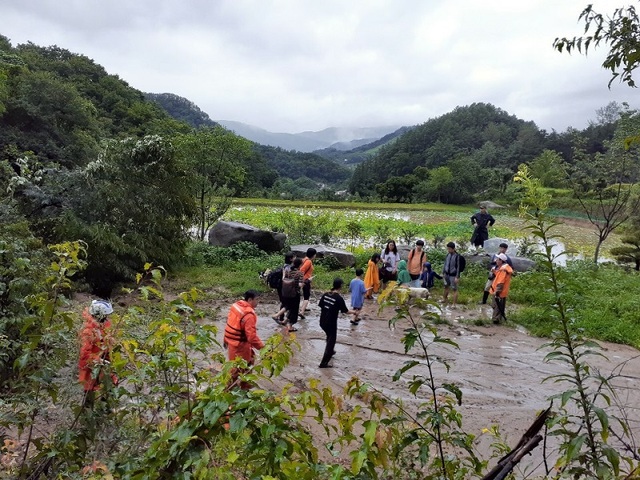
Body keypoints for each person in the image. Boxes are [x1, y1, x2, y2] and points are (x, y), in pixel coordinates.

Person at [78, 300, 118, 404]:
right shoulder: (88, 332)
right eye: (105, 316)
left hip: (104, 362)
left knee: (110, 385)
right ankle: (87, 413)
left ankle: (107, 408)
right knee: (90, 391)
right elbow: (84, 354)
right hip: (91, 367)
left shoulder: (104, 326)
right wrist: (98, 360)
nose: (107, 318)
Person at [223, 290, 265, 389]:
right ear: (250, 300)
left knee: (248, 362)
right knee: (238, 369)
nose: (258, 302)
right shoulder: (249, 315)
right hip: (240, 346)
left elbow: (230, 323)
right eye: (257, 299)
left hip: (231, 342)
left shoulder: (236, 306)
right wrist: (264, 348)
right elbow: (251, 337)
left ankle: (244, 386)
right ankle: (228, 391)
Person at [318, 278, 356, 368]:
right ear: (340, 286)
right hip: (331, 322)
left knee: (329, 336)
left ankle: (331, 351)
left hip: (322, 321)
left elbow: (321, 306)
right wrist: (354, 312)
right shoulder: (338, 298)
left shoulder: (325, 294)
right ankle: (323, 363)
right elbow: (345, 311)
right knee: (331, 340)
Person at [281, 258, 304, 332]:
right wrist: (305, 282)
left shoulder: (287, 271)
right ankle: (290, 326)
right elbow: (300, 285)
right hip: (294, 294)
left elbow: (283, 279)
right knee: (294, 310)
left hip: (286, 292)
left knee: (289, 307)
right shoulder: (300, 273)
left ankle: (285, 320)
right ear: (300, 265)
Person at [489, 253, 514, 324]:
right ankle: (500, 318)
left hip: (499, 291)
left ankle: (496, 320)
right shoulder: (503, 269)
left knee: (497, 306)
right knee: (499, 305)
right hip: (501, 291)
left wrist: (497, 292)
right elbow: (500, 277)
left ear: (501, 261)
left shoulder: (503, 270)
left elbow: (501, 282)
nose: (496, 260)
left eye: (497, 259)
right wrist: (495, 272)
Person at [273, 251, 296, 323]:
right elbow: (288, 279)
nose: (295, 258)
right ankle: (279, 317)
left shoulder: (284, 266)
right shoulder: (289, 268)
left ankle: (281, 318)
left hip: (281, 287)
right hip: (284, 288)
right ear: (291, 259)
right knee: (288, 304)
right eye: (294, 257)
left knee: (284, 302)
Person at [442, 242, 463, 306]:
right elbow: (445, 264)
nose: (448, 250)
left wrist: (457, 277)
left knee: (454, 289)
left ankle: (454, 304)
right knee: (446, 286)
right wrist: (443, 272)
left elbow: (458, 267)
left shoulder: (457, 256)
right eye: (448, 248)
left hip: (453, 275)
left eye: (449, 249)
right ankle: (444, 299)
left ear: (453, 249)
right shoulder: (448, 255)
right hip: (446, 274)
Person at [299, 248, 317, 319]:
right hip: (305, 281)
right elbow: (302, 270)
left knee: (305, 295)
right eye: (315, 254)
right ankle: (302, 312)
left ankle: (304, 307)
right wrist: (304, 280)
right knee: (307, 296)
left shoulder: (304, 259)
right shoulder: (308, 261)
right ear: (313, 255)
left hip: (304, 280)